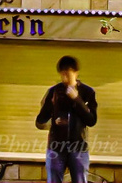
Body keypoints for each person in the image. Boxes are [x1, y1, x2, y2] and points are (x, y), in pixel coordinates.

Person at [36, 55, 98, 183]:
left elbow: (91, 120)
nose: (64, 79)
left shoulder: (87, 93)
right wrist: (52, 117)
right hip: (56, 148)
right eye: (62, 74)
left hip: (79, 148)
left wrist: (77, 99)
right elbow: (40, 121)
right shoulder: (54, 92)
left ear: (76, 73)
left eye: (68, 74)